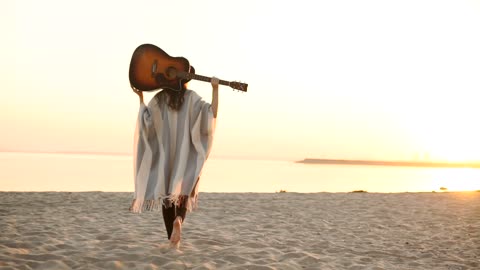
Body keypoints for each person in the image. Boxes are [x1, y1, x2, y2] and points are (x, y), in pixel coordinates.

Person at [130, 67, 219, 248]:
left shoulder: (160, 99)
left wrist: (141, 98)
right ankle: (179, 219)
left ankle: (172, 238)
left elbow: (146, 122)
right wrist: (215, 89)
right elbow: (211, 115)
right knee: (183, 193)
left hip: (166, 157)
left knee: (167, 197)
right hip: (186, 158)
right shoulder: (193, 99)